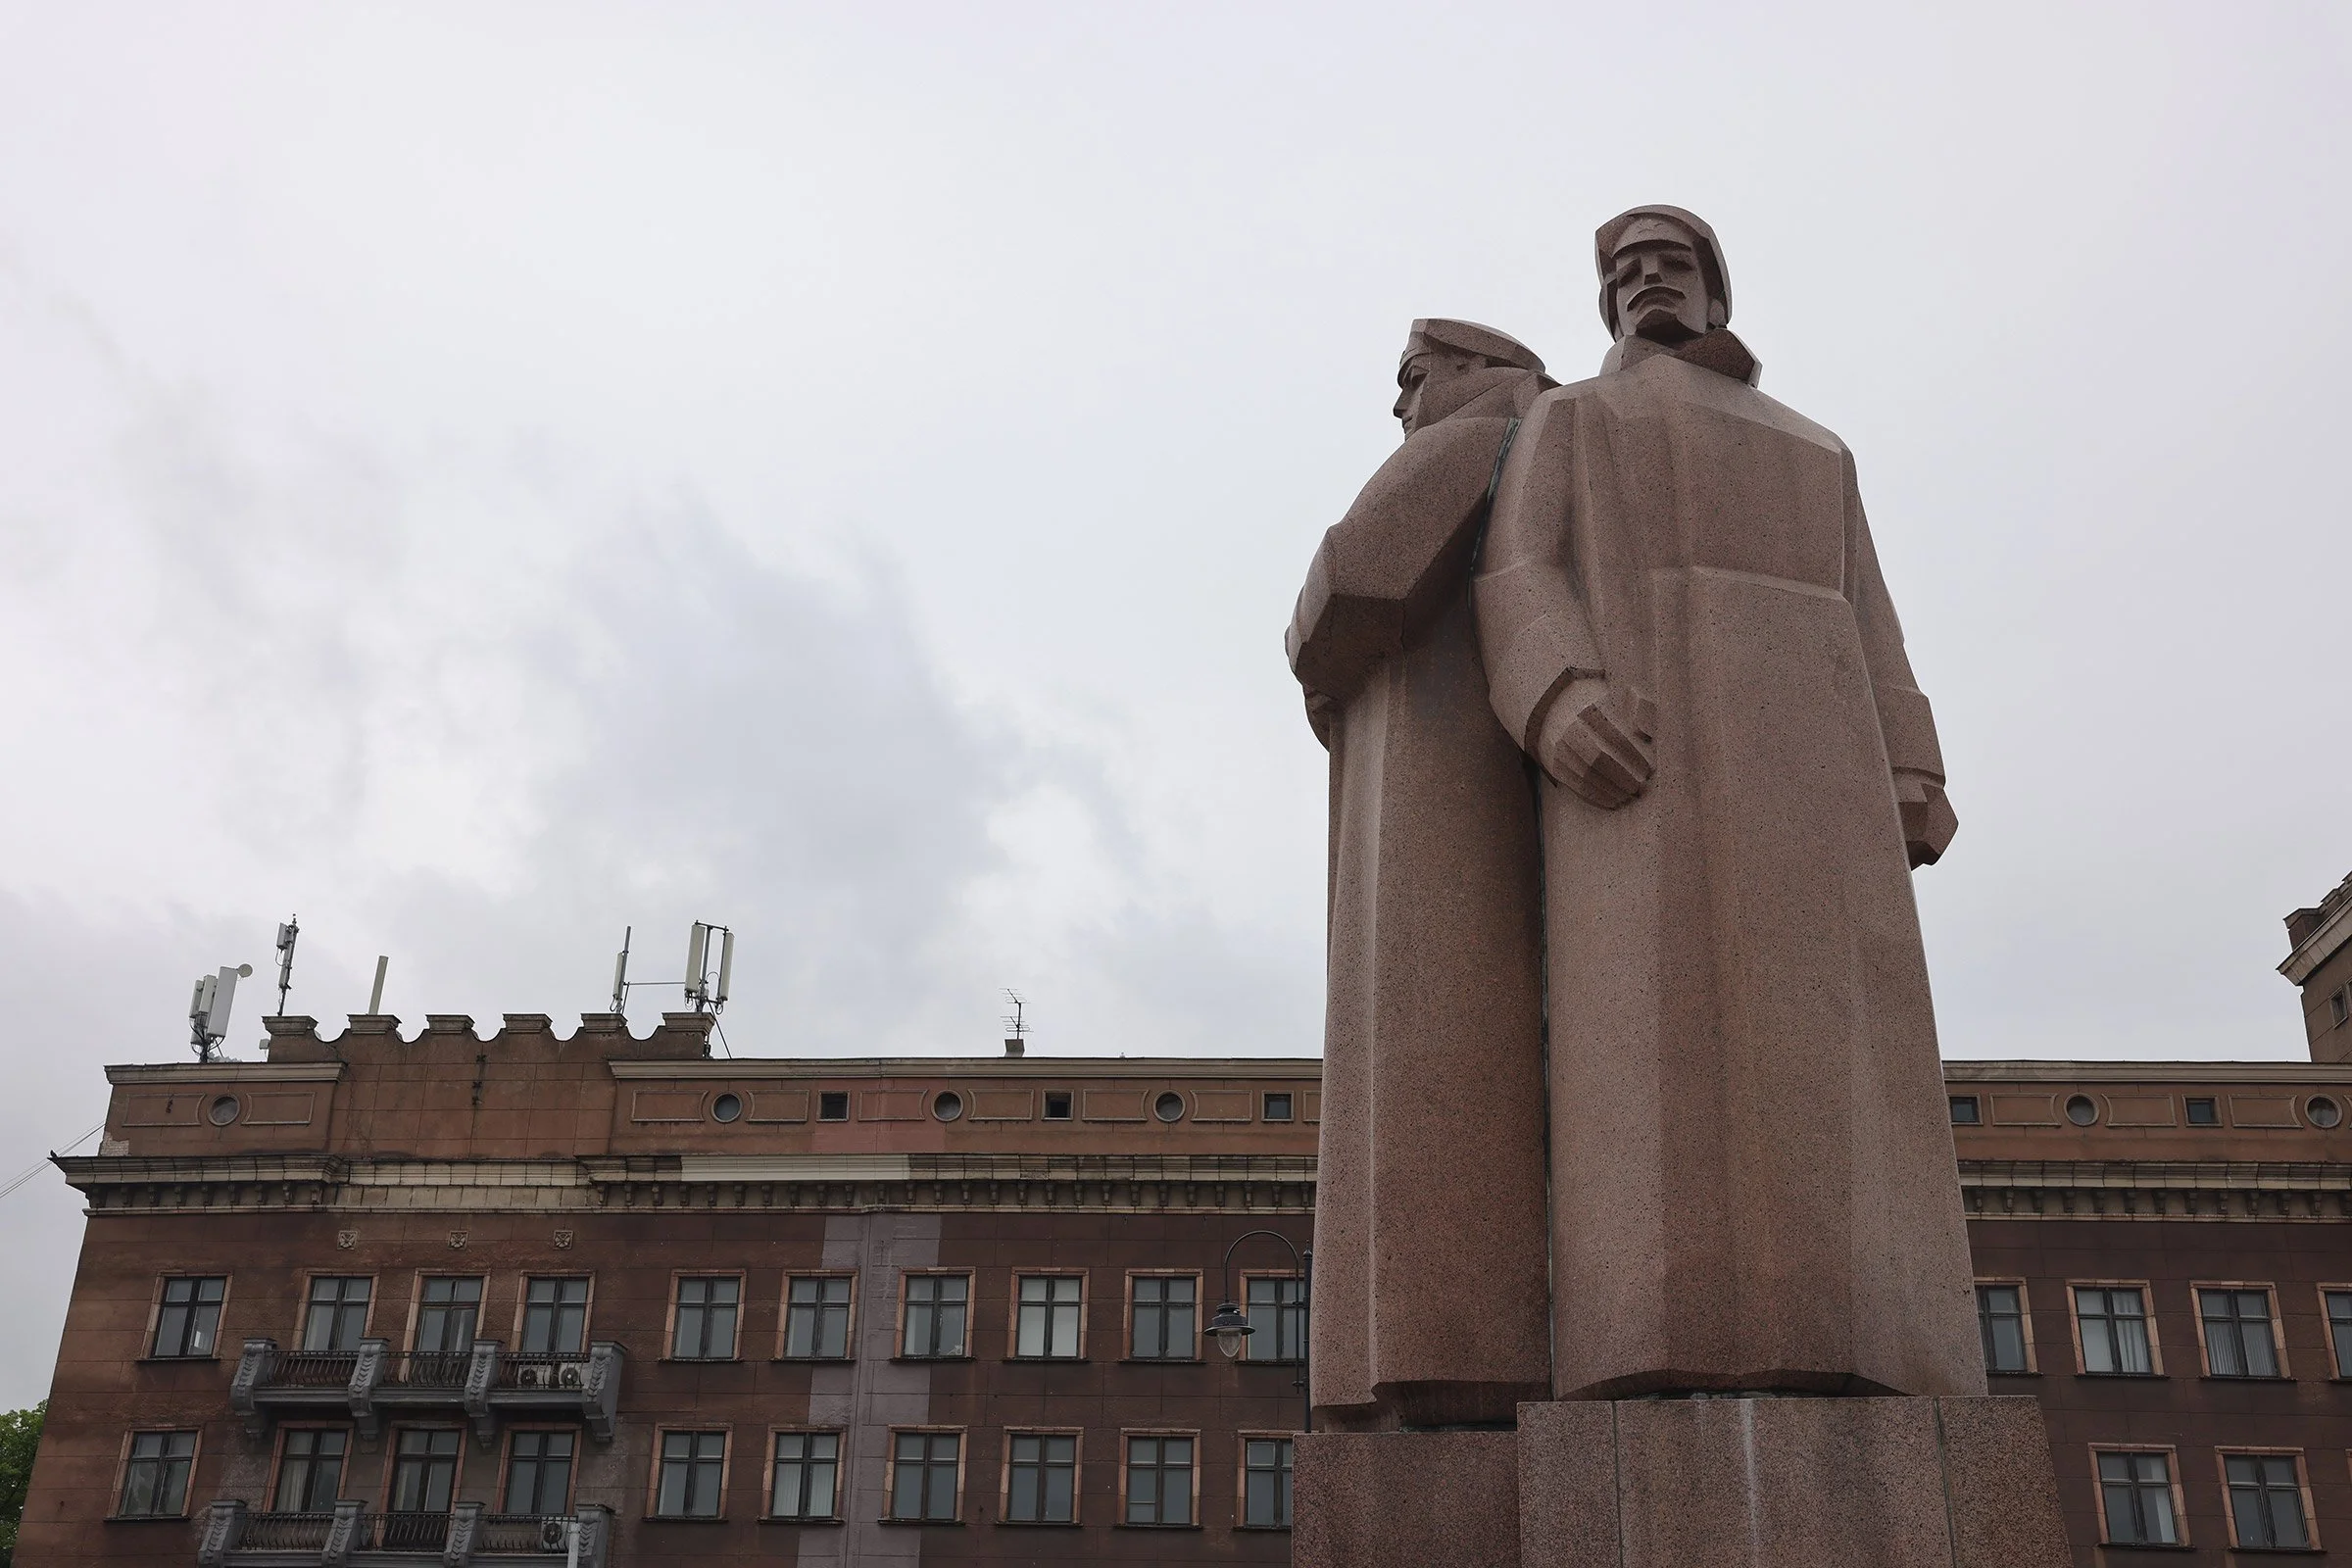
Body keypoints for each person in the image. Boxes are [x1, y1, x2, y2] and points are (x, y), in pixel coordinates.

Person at [1472, 207, 1981, 1399]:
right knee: (1656, 1040)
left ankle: (1879, 1335)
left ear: (1716, 291)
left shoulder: (1818, 447)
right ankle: (1658, 1337)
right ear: (1607, 305)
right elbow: (1518, 569)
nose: (1647, 281)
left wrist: (1914, 762)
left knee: (1844, 1044)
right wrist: (1558, 693)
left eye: (1672, 263)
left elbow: (1871, 612)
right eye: (1623, 271)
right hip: (1651, 757)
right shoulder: (1573, 419)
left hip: (1819, 768)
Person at [1287, 318, 1556, 1428]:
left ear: (1479, 372)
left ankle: (1441, 1344)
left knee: (1421, 1032)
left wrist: (1309, 634)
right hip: (1445, 767)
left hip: (1441, 784)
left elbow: (1354, 580)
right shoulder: (1551, 442)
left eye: (1412, 380)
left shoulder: (1489, 428)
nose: (1400, 410)